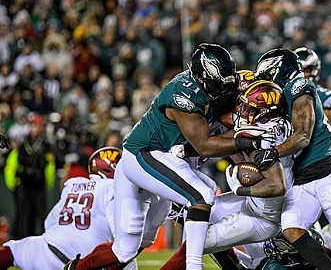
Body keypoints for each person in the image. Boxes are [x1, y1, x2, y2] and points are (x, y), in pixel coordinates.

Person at [64, 43, 272, 270]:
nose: (227, 92)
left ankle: (76, 268)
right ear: (200, 77)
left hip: (168, 162)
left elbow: (226, 140)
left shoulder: (224, 92)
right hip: (143, 156)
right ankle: (194, 266)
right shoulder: (184, 94)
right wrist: (247, 138)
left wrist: (252, 161)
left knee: (127, 250)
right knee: (201, 195)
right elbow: (204, 146)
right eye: (218, 85)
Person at [254, 48, 331, 270]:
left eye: (266, 78)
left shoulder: (299, 87)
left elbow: (302, 136)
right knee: (292, 230)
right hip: (303, 179)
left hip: (325, 174)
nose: (265, 86)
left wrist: (273, 153)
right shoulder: (283, 98)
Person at [162, 80, 294, 270]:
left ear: (265, 112)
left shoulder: (265, 138)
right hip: (253, 204)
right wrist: (189, 151)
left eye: (249, 108)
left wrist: (240, 188)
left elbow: (277, 185)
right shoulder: (275, 126)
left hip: (262, 218)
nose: (242, 111)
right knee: (198, 221)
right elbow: (230, 137)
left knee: (194, 242)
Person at [0, 147, 137, 270]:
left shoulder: (74, 184)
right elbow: (122, 237)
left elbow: (49, 222)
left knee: (11, 250)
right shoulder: (113, 188)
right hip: (81, 261)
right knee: (127, 256)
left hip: (46, 250)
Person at [4, 114, 56, 239]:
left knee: (41, 214)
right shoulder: (22, 145)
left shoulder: (46, 146)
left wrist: (47, 183)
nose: (34, 128)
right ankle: (20, 240)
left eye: (37, 126)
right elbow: (11, 164)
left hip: (38, 185)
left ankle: (44, 241)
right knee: (23, 215)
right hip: (24, 184)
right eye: (33, 125)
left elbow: (50, 166)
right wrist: (12, 183)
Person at [294, 47, 331, 156]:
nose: (303, 75)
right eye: (300, 70)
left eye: (307, 70)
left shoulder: (323, 96)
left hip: (315, 150)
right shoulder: (284, 93)